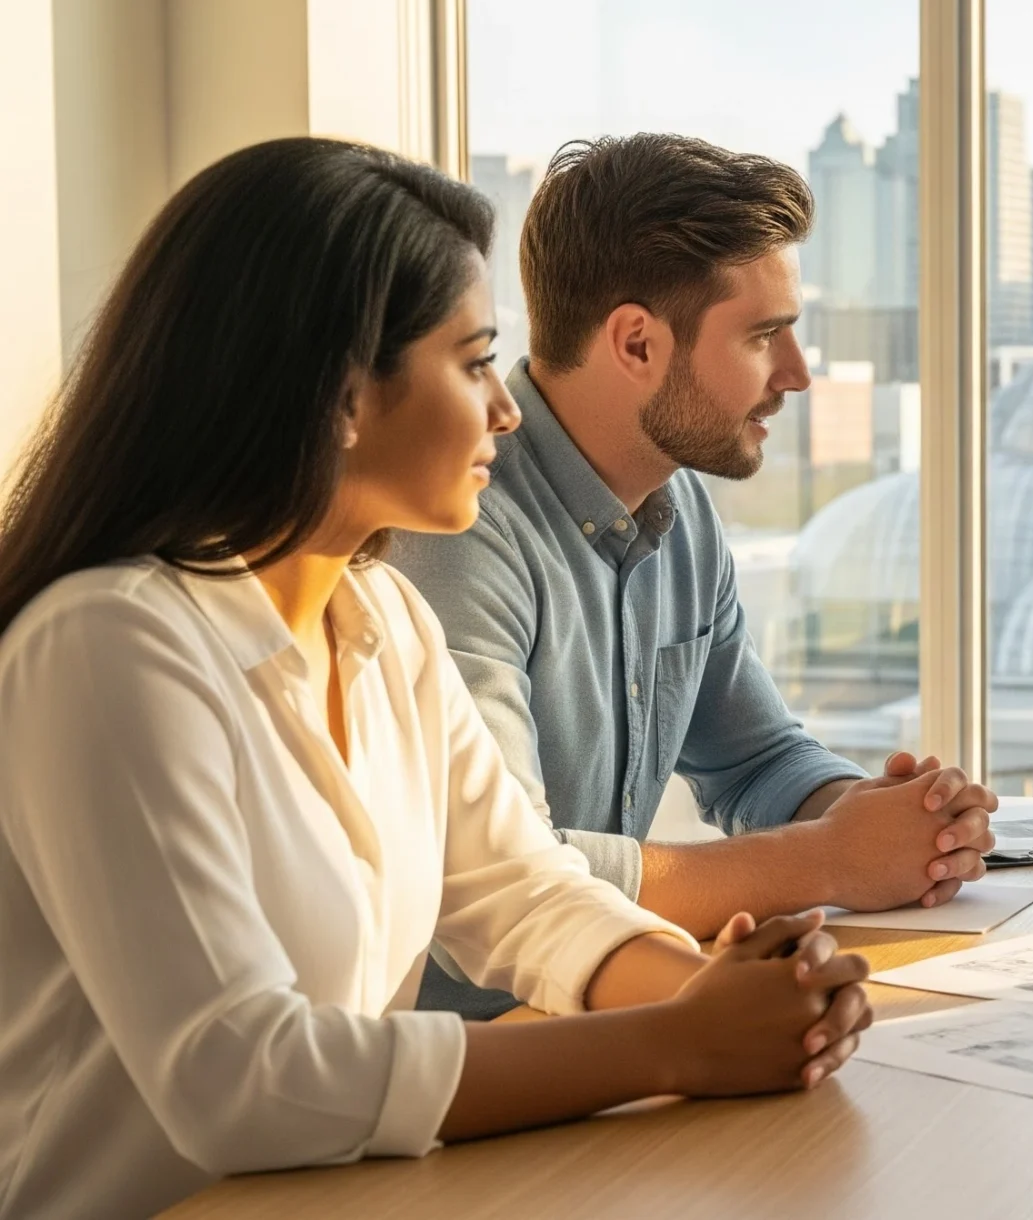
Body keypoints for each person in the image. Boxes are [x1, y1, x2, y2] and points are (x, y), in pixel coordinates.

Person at [0, 139, 874, 1220]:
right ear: (339, 393)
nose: (506, 412)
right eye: (472, 365)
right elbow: (239, 1076)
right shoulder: (108, 647)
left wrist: (716, 990)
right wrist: (675, 1043)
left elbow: (519, 890)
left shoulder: (385, 623)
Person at [383, 134, 995, 1016]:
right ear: (636, 343)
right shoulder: (456, 528)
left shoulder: (680, 506)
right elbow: (507, 875)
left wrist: (893, 820)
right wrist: (830, 860)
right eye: (764, 337)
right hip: (480, 1058)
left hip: (609, 1026)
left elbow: (753, 759)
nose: (797, 375)